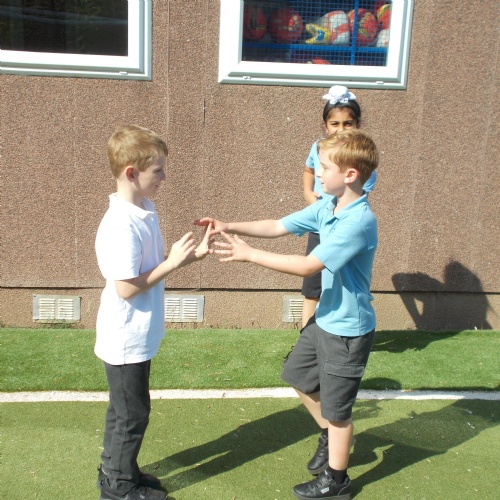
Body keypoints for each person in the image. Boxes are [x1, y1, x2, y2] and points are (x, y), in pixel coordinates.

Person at [196, 129, 379, 500]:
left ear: (350, 175)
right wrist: (228, 226)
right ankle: (333, 436)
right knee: (297, 375)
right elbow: (278, 225)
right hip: (325, 319)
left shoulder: (357, 221)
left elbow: (309, 266)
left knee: (338, 411)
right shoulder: (327, 207)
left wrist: (250, 255)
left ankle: (337, 481)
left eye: (324, 166)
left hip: (347, 330)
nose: (316, 172)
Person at [95, 124, 213, 500]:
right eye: (158, 170)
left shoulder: (144, 210)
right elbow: (126, 287)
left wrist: (188, 258)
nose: (164, 177)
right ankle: (118, 486)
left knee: (126, 410)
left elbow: (151, 266)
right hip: (124, 336)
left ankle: (118, 469)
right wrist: (173, 262)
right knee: (131, 414)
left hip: (138, 333)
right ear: (132, 172)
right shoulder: (121, 224)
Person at [301, 85, 377, 328]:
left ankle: (345, 331)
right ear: (325, 126)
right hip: (319, 227)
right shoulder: (318, 147)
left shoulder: (361, 159)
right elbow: (308, 170)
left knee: (340, 283)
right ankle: (306, 334)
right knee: (312, 286)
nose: (341, 129)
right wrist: (308, 193)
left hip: (342, 230)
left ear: (358, 124)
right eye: (335, 123)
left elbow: (356, 197)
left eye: (348, 123)